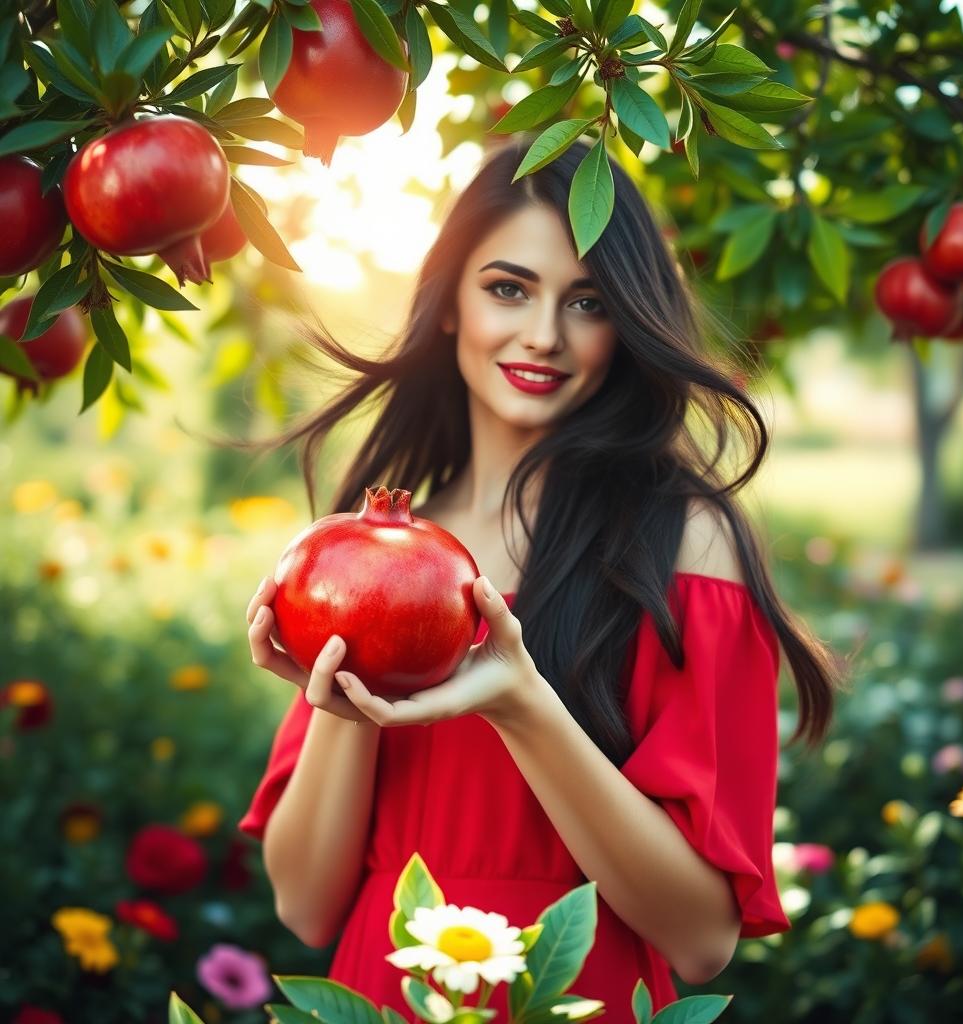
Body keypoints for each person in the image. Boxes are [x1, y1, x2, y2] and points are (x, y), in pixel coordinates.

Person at [235, 136, 844, 1019]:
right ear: (450, 304)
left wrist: (523, 704)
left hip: (576, 996)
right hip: (383, 989)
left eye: (588, 301)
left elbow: (703, 940)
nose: (544, 334)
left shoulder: (685, 546)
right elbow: (306, 905)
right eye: (508, 287)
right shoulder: (372, 551)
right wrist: (344, 708)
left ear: (626, 324)